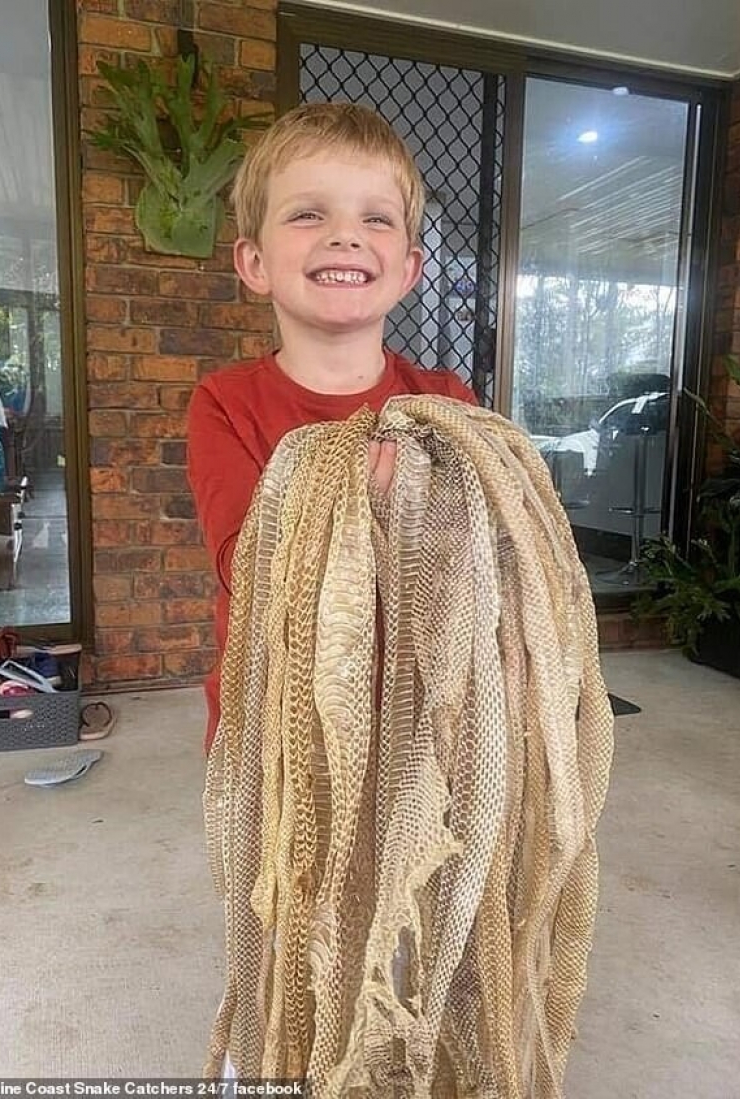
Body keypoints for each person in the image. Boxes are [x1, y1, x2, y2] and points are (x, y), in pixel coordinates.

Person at [187, 102, 476, 752]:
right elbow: (246, 567)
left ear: (406, 268)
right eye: (307, 213)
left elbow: (479, 556)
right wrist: (358, 502)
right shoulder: (224, 403)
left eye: (375, 217)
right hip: (275, 729)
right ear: (254, 262)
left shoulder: (448, 401)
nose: (345, 235)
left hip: (417, 728)